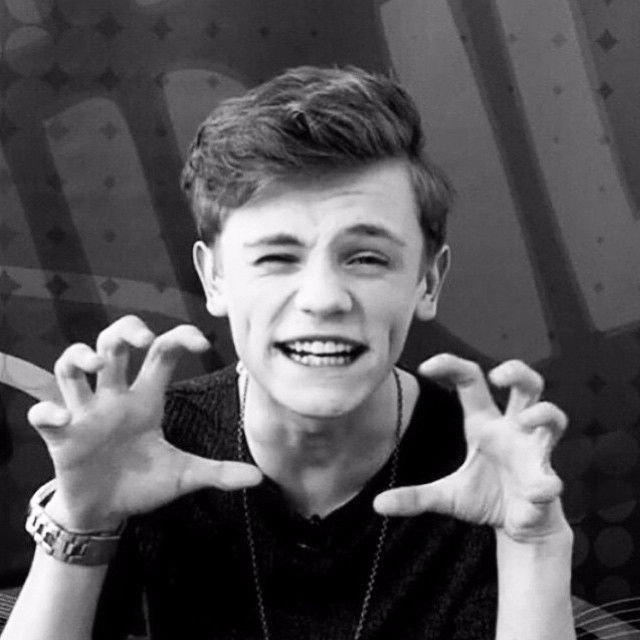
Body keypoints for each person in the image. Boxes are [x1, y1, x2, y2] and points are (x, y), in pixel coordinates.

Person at [2, 66, 575, 640]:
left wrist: (534, 545)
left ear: (427, 280)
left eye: (367, 258)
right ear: (215, 278)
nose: (323, 299)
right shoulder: (144, 446)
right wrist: (81, 520)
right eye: (277, 258)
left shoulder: (486, 467)